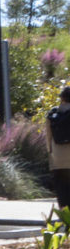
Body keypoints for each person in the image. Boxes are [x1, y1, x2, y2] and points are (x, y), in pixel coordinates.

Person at [47, 85, 70, 215]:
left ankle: (65, 217)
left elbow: (48, 139)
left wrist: (51, 155)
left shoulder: (52, 114)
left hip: (58, 160)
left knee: (62, 191)